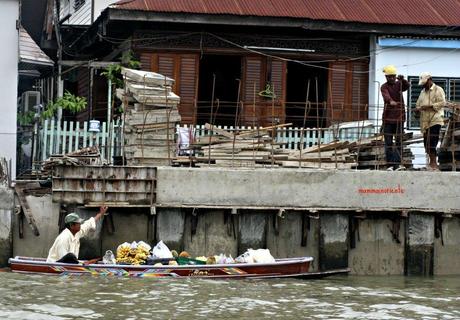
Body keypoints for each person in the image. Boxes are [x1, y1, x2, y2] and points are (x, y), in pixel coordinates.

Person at [380, 65, 410, 170]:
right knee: (388, 143)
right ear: (386, 77)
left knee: (398, 142)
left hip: (399, 118)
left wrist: (403, 80)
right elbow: (386, 96)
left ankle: (397, 164)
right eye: (389, 77)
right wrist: (390, 101)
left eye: (393, 76)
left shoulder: (399, 84)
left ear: (395, 76)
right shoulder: (384, 86)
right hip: (388, 119)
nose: (391, 78)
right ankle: (390, 164)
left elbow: (407, 86)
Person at [416, 72, 446, 171]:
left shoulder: (438, 89)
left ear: (430, 80)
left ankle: (434, 163)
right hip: (425, 121)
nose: (424, 85)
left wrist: (429, 106)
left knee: (432, 141)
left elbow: (442, 103)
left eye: (425, 83)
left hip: (435, 119)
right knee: (426, 143)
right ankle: (430, 163)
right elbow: (418, 104)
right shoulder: (422, 92)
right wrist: (417, 109)